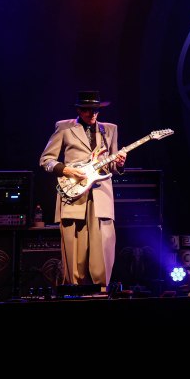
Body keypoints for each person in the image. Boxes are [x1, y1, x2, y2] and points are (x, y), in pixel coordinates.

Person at [39, 90, 126, 291]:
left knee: (103, 246)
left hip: (101, 194)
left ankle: (102, 292)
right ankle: (73, 292)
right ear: (79, 110)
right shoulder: (64, 127)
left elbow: (112, 166)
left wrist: (119, 164)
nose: (92, 114)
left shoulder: (110, 129)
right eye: (87, 110)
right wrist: (66, 170)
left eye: (95, 110)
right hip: (73, 193)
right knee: (74, 247)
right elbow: (46, 160)